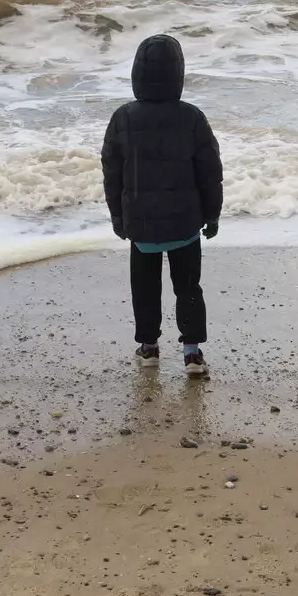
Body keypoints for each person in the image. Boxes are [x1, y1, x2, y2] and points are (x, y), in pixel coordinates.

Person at [101, 34, 223, 376]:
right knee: (188, 287)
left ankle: (149, 348)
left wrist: (117, 216)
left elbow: (112, 171)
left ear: (137, 74)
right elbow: (210, 172)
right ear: (178, 75)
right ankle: (192, 353)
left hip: (141, 225)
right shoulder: (193, 118)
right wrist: (212, 215)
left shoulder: (123, 117)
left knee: (145, 287)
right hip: (185, 225)